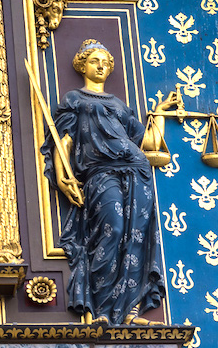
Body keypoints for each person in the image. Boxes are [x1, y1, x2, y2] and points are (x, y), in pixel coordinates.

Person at [40, 39, 178, 325]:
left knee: (134, 240)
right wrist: (64, 177)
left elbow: (150, 143)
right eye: (94, 61)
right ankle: (102, 311)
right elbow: (63, 141)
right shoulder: (74, 99)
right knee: (112, 230)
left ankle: (130, 312)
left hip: (137, 171)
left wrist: (160, 113)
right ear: (82, 65)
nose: (100, 66)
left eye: (105, 62)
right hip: (101, 172)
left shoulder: (118, 105)